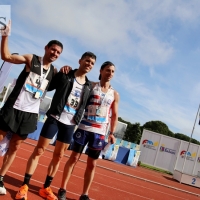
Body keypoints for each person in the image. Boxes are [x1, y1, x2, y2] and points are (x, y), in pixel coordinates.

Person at [15, 52, 97, 200]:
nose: (89, 64)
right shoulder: (65, 74)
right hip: (55, 118)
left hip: (70, 123)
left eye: (92, 63)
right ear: (80, 60)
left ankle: (46, 187)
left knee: (58, 156)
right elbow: (49, 86)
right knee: (39, 150)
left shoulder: (89, 86)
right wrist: (59, 71)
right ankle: (25, 185)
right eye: (87, 61)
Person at [0, 22, 63, 195]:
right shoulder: (31, 59)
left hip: (29, 115)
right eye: (53, 49)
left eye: (58, 52)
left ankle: (0, 178)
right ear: (46, 48)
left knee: (15, 147)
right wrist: (5, 34)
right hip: (13, 108)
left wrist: (67, 70)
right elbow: (6, 56)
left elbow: (66, 83)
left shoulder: (54, 73)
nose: (55, 53)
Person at [57, 61, 119, 200]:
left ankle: (84, 194)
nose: (110, 74)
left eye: (113, 71)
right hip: (84, 128)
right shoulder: (90, 86)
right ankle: (63, 188)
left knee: (92, 164)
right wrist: (66, 69)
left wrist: (112, 133)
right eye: (108, 70)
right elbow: (76, 82)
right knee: (73, 158)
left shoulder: (114, 94)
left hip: (99, 133)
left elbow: (114, 115)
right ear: (101, 71)